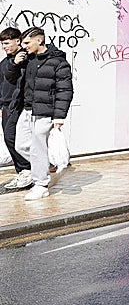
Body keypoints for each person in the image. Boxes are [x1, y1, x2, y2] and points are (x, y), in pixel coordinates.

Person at [5, 27, 73, 201]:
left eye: (27, 42)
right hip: (26, 109)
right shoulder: (27, 59)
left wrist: (59, 117)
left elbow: (65, 90)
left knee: (37, 147)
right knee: (20, 145)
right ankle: (44, 165)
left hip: (45, 111)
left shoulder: (58, 61)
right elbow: (11, 79)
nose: (24, 46)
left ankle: (41, 185)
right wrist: (14, 64)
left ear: (40, 40)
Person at [0, 27, 33, 191]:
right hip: (6, 106)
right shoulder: (6, 61)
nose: (4, 46)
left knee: (12, 138)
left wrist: (15, 63)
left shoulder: (25, 60)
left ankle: (28, 170)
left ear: (17, 41)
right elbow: (2, 83)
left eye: (6, 43)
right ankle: (22, 172)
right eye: (2, 44)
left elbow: (16, 79)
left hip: (17, 105)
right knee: (9, 139)